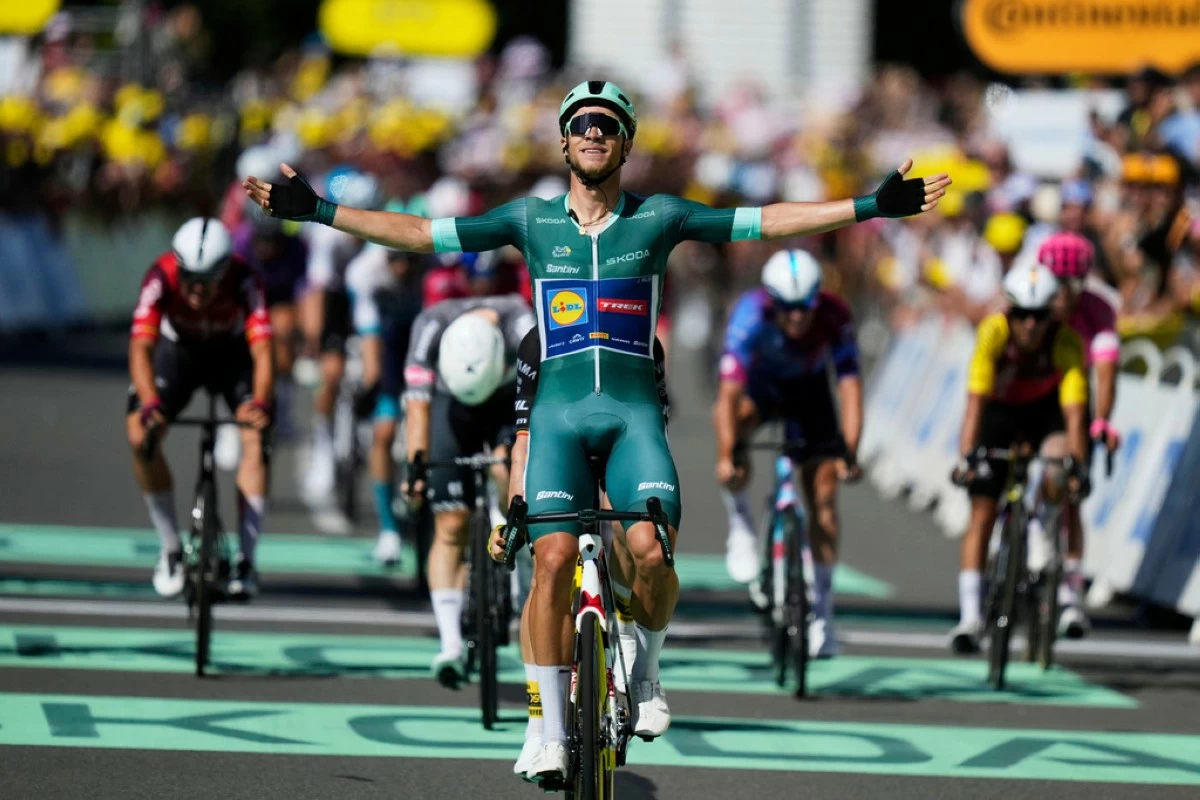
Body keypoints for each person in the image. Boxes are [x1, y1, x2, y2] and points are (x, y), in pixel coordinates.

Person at [244, 78, 949, 781]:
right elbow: (424, 235)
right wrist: (321, 212)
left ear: (626, 143)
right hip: (556, 418)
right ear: (562, 141)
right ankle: (548, 730)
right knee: (551, 562)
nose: (592, 132)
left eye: (607, 125)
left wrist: (869, 207)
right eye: (580, 123)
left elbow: (764, 222)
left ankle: (646, 671)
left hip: (633, 418)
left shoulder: (660, 218)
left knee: (651, 554)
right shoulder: (530, 221)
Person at [508, 326, 669, 778]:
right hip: (557, 449)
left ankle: (631, 641)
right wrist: (512, 514)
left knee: (629, 532)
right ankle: (541, 726)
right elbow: (523, 445)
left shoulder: (641, 337)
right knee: (549, 566)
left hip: (623, 443)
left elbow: (658, 434)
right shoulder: (538, 342)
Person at [712, 249, 863, 658]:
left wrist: (850, 450)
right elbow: (727, 396)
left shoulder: (834, 314)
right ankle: (740, 523)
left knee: (824, 497)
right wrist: (727, 454)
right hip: (762, 387)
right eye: (788, 308)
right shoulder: (750, 315)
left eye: (805, 307)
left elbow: (849, 386)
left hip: (811, 392)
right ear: (771, 302)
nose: (797, 317)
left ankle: (823, 614)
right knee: (735, 428)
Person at [126, 218, 274, 598]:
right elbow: (141, 346)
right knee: (141, 435)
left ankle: (246, 560)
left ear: (224, 272)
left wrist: (259, 402)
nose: (195, 289)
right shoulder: (160, 275)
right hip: (179, 353)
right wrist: (151, 404)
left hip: (231, 354)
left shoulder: (245, 280)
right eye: (189, 278)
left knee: (255, 437)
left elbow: (262, 350)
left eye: (207, 281)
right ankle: (171, 549)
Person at [949, 262, 1089, 653]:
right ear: (1009, 311)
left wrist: (1077, 466)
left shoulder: (1066, 342)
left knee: (1059, 463)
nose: (1030, 325)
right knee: (982, 511)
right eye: (1022, 315)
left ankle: (1046, 535)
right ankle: (970, 617)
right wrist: (966, 457)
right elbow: (975, 403)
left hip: (1044, 414)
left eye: (1039, 316)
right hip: (999, 413)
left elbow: (1075, 415)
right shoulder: (993, 332)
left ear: (1051, 315)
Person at [399, 295, 534, 684]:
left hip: (508, 399)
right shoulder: (429, 327)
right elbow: (418, 407)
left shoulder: (521, 325)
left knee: (508, 471)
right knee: (451, 523)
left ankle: (520, 560)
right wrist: (416, 470)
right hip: (450, 403)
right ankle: (451, 644)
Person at [1038, 231, 1121, 637]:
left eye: (1071, 284)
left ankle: (1071, 595)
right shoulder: (1031, 297)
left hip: (1074, 396)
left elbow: (1106, 373)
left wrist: (1101, 419)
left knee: (1072, 490)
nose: (1063, 293)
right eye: (1056, 282)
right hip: (1030, 391)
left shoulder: (1099, 309)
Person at [343, 241, 426, 565]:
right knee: (384, 433)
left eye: (410, 261)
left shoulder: (431, 274)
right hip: (388, 344)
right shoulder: (366, 274)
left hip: (424, 342)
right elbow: (372, 341)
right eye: (397, 261)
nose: (403, 268)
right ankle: (388, 530)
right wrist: (371, 384)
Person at [301, 166, 382, 500]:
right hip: (335, 300)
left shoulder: (380, 237)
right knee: (331, 373)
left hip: (370, 298)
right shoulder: (327, 237)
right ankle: (323, 445)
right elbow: (317, 292)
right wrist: (314, 340)